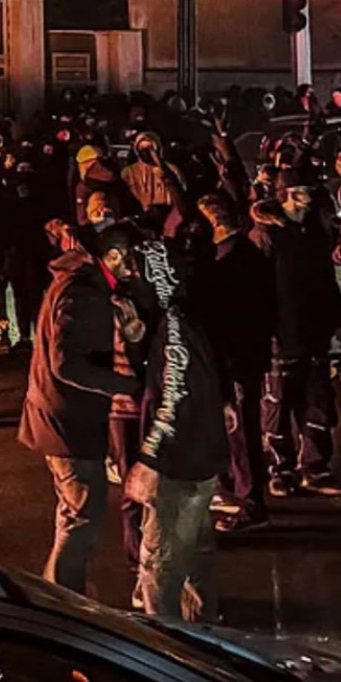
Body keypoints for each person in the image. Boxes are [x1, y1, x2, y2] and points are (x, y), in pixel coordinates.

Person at [20, 224, 141, 594]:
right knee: (82, 518)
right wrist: (126, 386)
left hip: (57, 418)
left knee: (73, 513)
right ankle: (62, 601)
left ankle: (57, 595)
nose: (136, 268)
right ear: (114, 256)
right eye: (132, 258)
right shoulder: (85, 292)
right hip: (69, 423)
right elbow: (67, 364)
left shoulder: (78, 283)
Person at [127, 240, 228, 622]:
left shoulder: (173, 329)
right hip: (200, 456)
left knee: (161, 563)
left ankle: (164, 642)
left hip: (178, 465)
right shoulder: (185, 317)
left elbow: (173, 397)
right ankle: (203, 629)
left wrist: (149, 459)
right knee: (197, 551)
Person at [250, 182, 341, 498]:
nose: (306, 198)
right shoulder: (266, 236)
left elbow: (326, 279)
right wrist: (263, 332)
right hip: (281, 336)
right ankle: (281, 469)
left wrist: (339, 322)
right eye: (299, 190)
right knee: (277, 407)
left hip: (314, 333)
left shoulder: (315, 231)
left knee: (318, 403)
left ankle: (316, 468)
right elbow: (257, 289)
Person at [198, 195, 276, 533]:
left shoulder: (230, 262)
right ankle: (241, 494)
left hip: (237, 361)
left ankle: (250, 503)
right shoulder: (245, 254)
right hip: (245, 357)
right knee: (239, 431)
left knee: (241, 432)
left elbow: (233, 318)